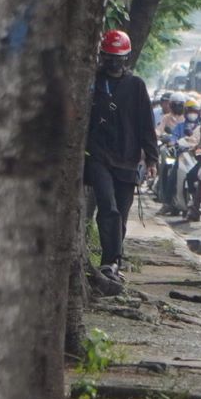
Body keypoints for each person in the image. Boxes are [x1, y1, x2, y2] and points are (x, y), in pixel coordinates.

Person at [84, 30, 158, 284]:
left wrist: (151, 158)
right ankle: (109, 262)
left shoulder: (135, 86)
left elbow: (146, 123)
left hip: (127, 159)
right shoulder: (92, 82)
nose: (113, 63)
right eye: (109, 58)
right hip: (98, 155)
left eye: (118, 58)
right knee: (109, 207)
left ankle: (112, 261)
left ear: (126, 58)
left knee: (122, 214)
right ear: (102, 57)